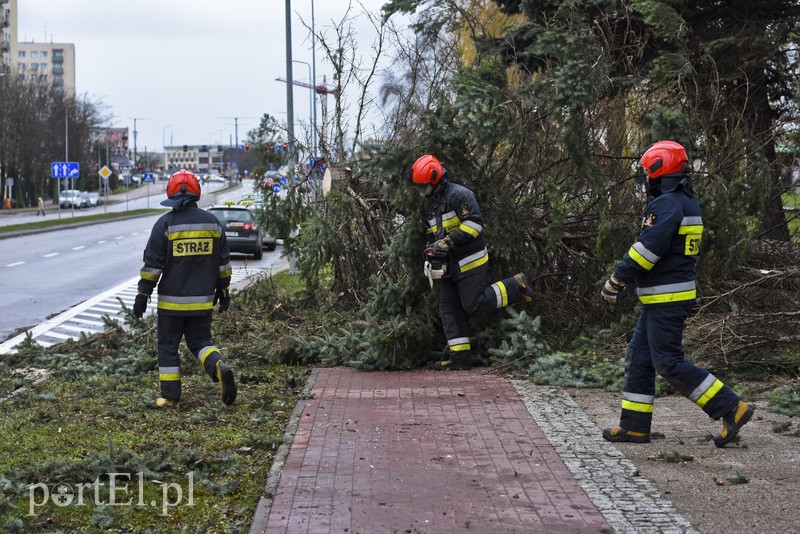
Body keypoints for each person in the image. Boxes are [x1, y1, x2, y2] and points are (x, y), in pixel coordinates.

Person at [600, 140, 753, 447]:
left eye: (647, 171)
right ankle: (634, 426)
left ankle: (731, 407)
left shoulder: (667, 204)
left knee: (668, 362)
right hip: (663, 297)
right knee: (640, 359)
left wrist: (617, 277)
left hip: (666, 298)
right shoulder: (685, 201)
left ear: (659, 169)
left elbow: (648, 250)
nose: (646, 178)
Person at [410, 154, 534, 371]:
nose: (421, 191)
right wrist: (431, 251)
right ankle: (460, 358)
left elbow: (474, 226)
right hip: (449, 265)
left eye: (423, 186)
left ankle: (516, 284)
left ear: (435, 178)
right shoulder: (430, 204)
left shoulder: (460, 195)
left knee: (472, 303)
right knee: (448, 307)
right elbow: (432, 232)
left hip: (471, 260)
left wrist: (447, 243)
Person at [133, 169, 237, 407]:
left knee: (168, 347)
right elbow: (224, 264)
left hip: (171, 304)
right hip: (202, 302)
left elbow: (153, 266)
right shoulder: (213, 223)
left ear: (171, 193)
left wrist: (142, 294)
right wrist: (223, 291)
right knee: (201, 342)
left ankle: (170, 397)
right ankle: (218, 365)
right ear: (196, 192)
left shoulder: (165, 224)